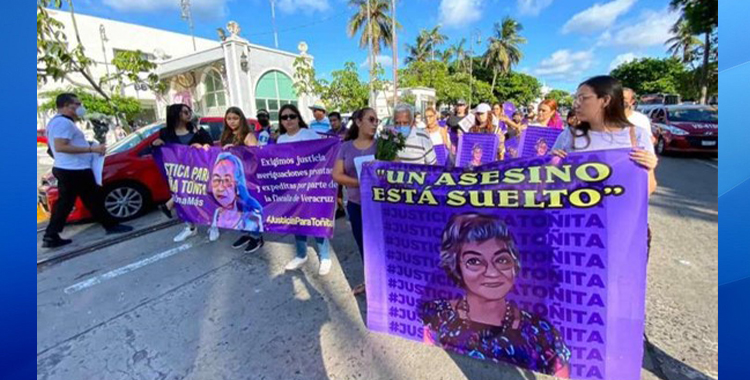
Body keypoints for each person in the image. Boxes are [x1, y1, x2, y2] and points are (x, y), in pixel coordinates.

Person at [419, 212, 571, 377]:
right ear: (456, 268)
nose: (492, 273)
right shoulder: (438, 314)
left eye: (502, 260)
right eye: (474, 261)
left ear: (515, 264)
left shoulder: (541, 333)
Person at [43, 93, 133, 248]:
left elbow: (53, 149)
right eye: (76, 104)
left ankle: (51, 235)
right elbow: (60, 146)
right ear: (66, 105)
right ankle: (110, 225)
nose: (80, 107)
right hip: (74, 170)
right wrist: (91, 149)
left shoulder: (55, 123)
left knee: (70, 202)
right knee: (91, 198)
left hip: (68, 168)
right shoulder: (63, 124)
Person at [551, 75, 658, 195]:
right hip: (577, 211)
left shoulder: (637, 135)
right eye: (576, 99)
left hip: (617, 212)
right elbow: (547, 184)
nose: (576, 104)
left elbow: (648, 190)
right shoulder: (569, 134)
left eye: (583, 98)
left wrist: (649, 168)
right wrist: (551, 163)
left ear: (606, 100)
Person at [277, 104, 334, 276]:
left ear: (298, 117)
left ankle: (325, 257)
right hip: (291, 188)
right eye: (284, 117)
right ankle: (301, 254)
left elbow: (324, 151)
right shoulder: (281, 139)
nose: (289, 120)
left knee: (315, 220)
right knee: (297, 221)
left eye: (292, 116)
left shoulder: (308, 133)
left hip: (311, 185)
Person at [332, 107, 378, 295]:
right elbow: (336, 175)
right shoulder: (346, 147)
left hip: (379, 207)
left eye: (377, 121)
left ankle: (384, 283)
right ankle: (370, 283)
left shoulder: (383, 145)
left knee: (380, 247)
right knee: (363, 246)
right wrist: (361, 182)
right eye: (371, 119)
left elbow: (393, 171)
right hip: (357, 206)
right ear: (358, 122)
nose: (375, 124)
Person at [153, 103, 214, 242]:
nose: (188, 114)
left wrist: (201, 143)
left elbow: (210, 145)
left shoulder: (196, 130)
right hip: (179, 172)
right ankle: (190, 227)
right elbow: (160, 150)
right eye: (185, 112)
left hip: (198, 170)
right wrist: (155, 144)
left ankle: (212, 225)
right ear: (176, 114)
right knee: (183, 199)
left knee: (204, 198)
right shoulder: (165, 132)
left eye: (189, 111)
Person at [217, 107, 265, 252]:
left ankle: (257, 236)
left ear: (241, 119)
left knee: (247, 202)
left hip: (246, 177)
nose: (232, 121)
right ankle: (245, 233)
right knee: (237, 206)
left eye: (235, 118)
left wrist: (237, 149)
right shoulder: (226, 136)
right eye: (229, 118)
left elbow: (256, 156)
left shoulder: (248, 135)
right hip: (230, 178)